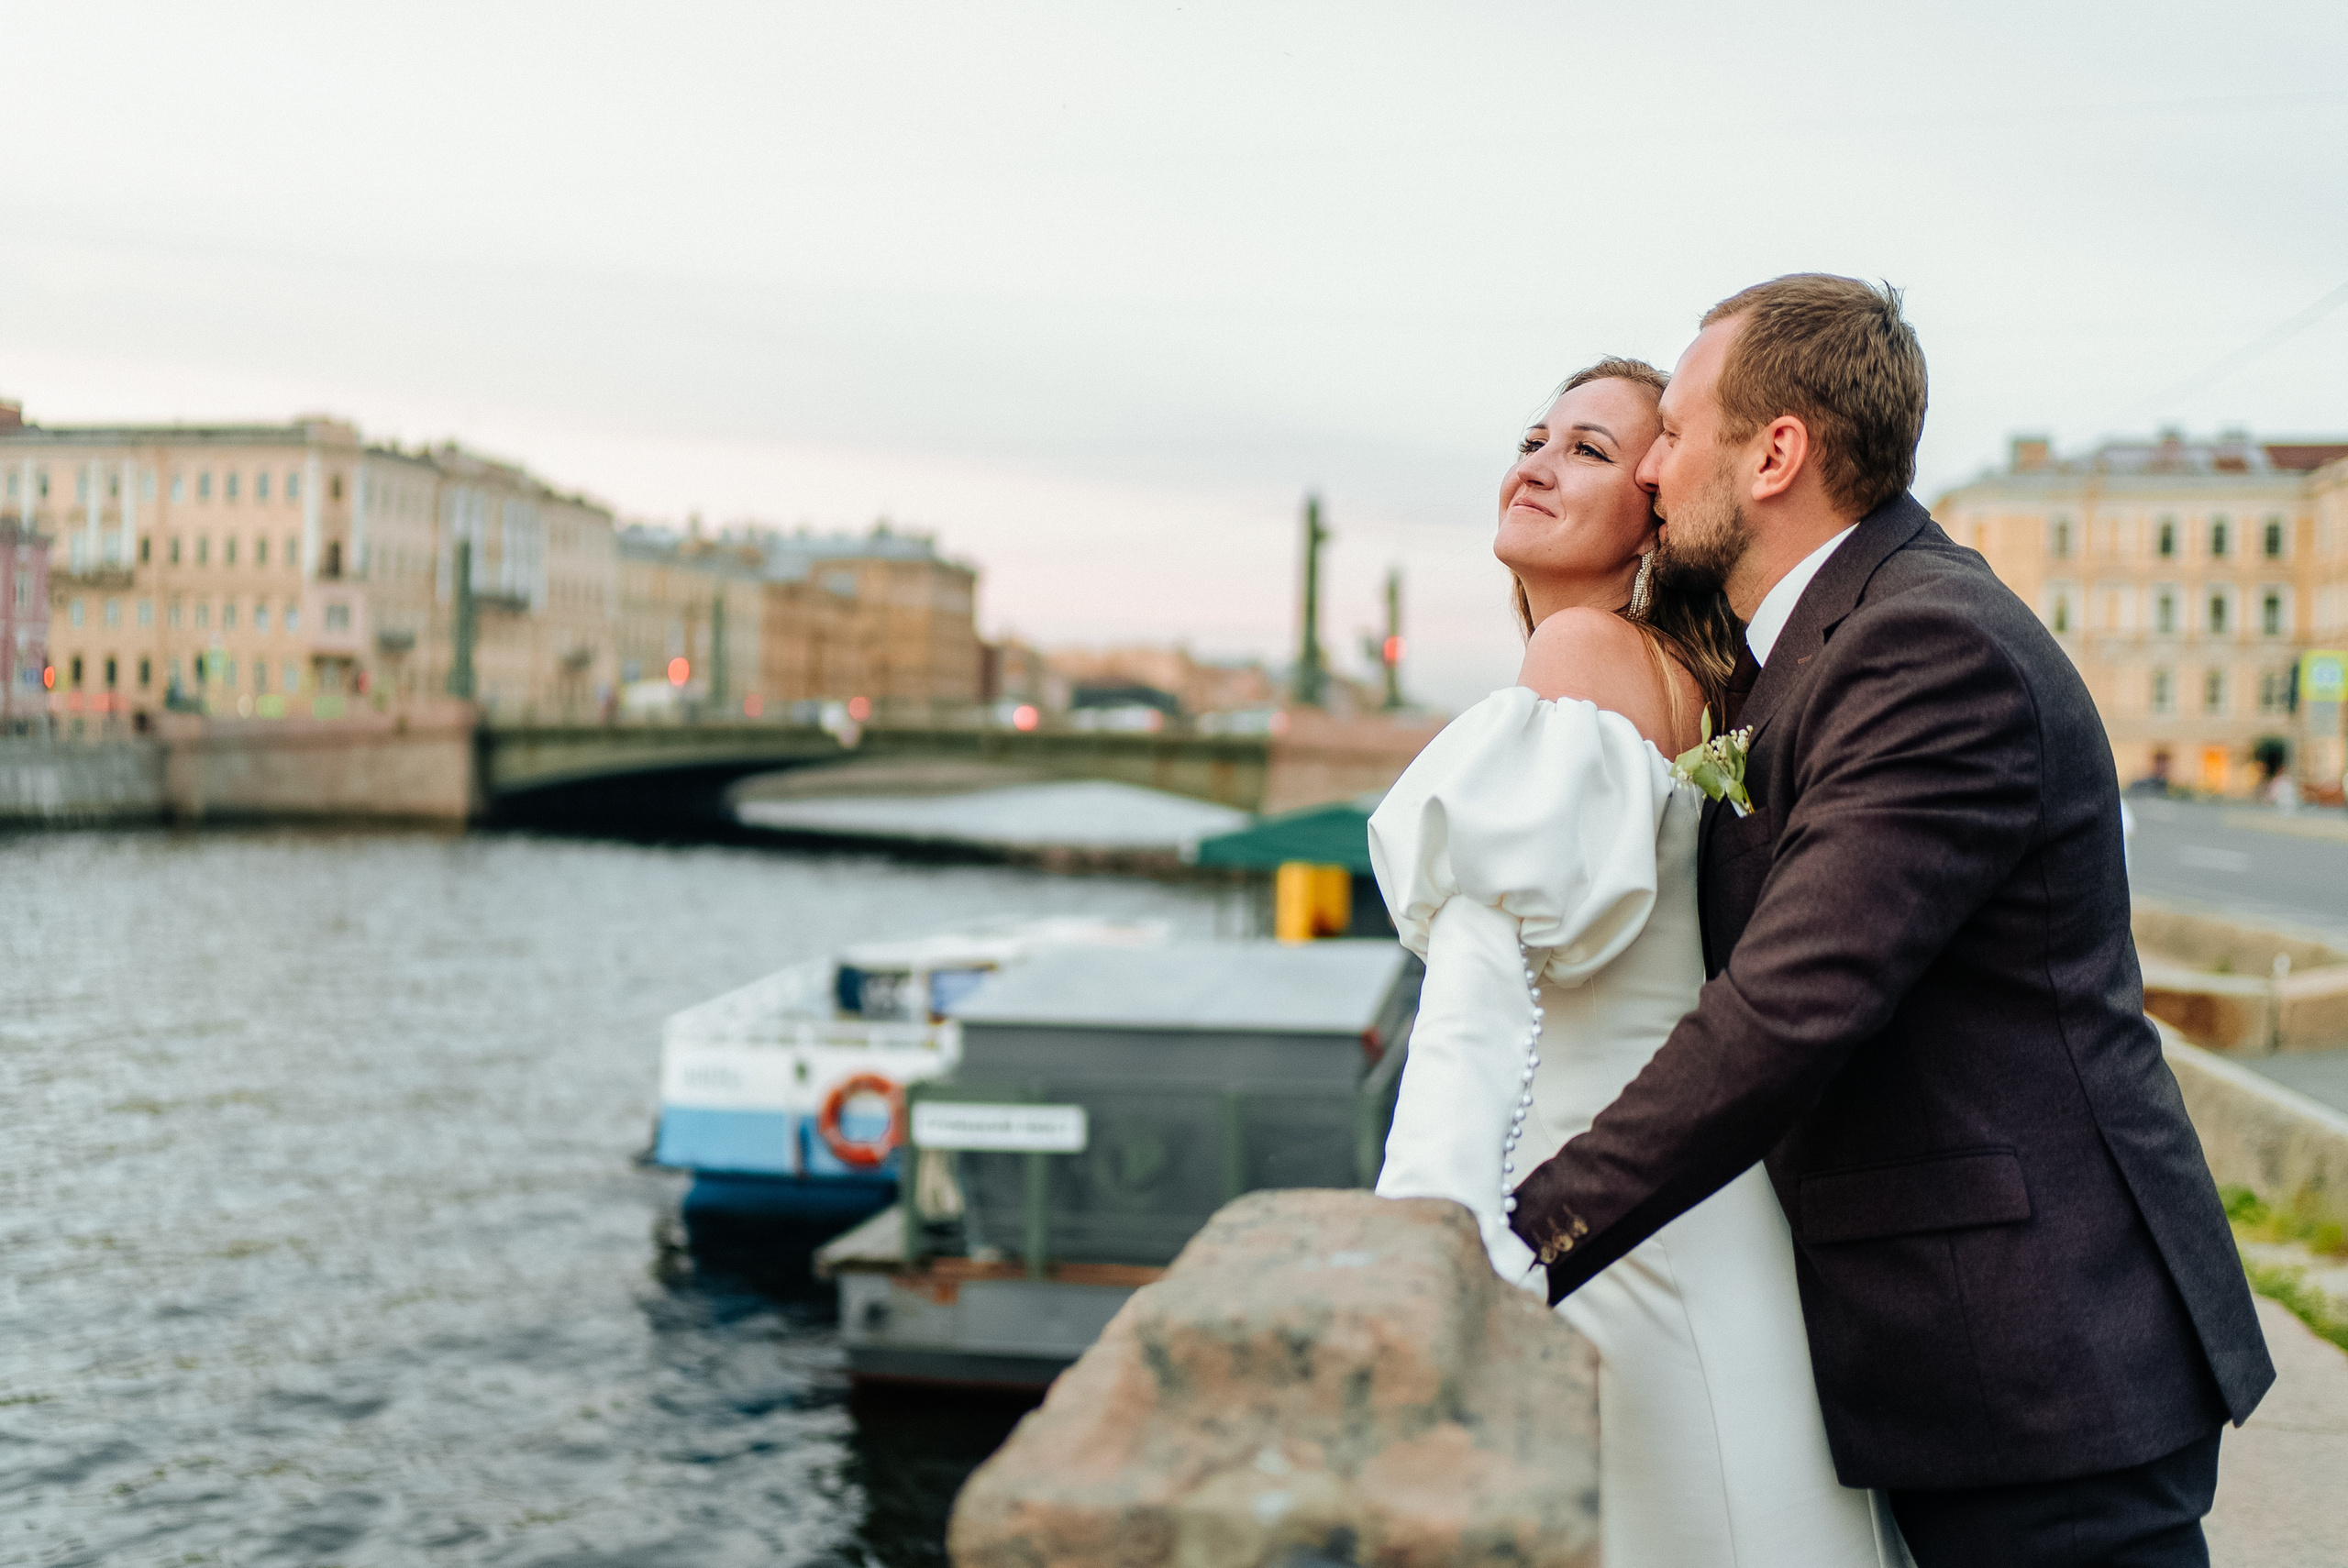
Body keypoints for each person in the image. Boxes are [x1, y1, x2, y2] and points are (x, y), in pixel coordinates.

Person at [1506, 276, 2274, 1567]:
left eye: (1676, 435)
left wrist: (1523, 1235)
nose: (1653, 475)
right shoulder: (1819, 640)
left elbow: (1798, 999)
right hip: (1959, 1350)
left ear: (1777, 454)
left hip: (2040, 1364)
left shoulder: (1927, 642)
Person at [1368, 357, 1909, 1566]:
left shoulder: (1581, 653)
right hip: (1698, 1207)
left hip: (1611, 1225)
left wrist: (1424, 1224)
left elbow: (1481, 979)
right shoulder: (1691, 679)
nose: (1540, 461)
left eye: (1592, 449)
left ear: (1656, 516)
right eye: (1535, 435)